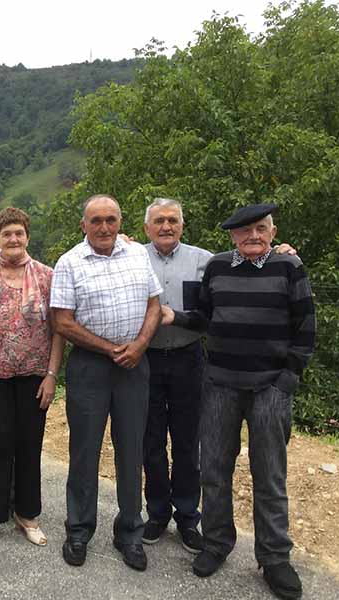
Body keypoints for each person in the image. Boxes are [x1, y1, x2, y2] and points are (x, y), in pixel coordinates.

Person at [162, 204, 315, 600]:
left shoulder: (290, 268)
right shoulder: (216, 267)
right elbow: (203, 318)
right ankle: (216, 544)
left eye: (261, 229)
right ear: (232, 236)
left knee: (269, 475)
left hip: (269, 389)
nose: (253, 236)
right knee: (213, 469)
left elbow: (305, 327)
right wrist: (171, 317)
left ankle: (275, 557)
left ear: (272, 230)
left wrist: (287, 381)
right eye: (245, 231)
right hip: (219, 386)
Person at [50, 194, 162, 572]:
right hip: (90, 368)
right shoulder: (69, 263)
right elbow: (61, 322)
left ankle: (130, 532)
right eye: (95, 220)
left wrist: (140, 345)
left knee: (132, 450)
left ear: (120, 222)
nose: (103, 227)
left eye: (110, 219)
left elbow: (153, 305)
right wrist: (111, 348)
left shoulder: (137, 255)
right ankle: (79, 529)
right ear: (84, 224)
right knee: (85, 450)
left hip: (134, 365)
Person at [0, 207, 64, 548]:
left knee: (30, 444)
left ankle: (28, 513)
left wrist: (51, 375)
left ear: (27, 237)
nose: (14, 239)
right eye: (7, 234)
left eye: (19, 233)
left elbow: (57, 331)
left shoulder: (47, 277)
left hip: (34, 375)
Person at [140, 198, 212, 553]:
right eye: (159, 221)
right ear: (146, 228)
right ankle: (156, 514)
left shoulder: (205, 261)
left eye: (172, 220)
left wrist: (177, 317)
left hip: (188, 359)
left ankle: (187, 517)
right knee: (150, 442)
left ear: (182, 225)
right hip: (146, 361)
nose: (166, 226)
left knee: (187, 443)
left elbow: (211, 315)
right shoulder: (132, 259)